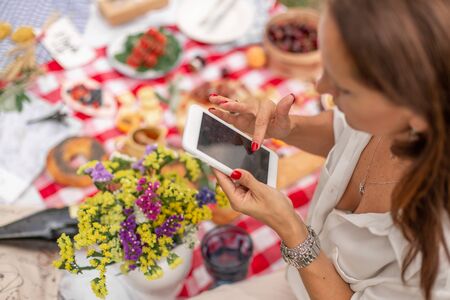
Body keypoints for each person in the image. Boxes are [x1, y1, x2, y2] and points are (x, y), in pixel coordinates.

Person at [191, 0, 450, 299]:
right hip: (298, 280)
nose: (321, 88)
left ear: (415, 110)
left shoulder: (439, 254)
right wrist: (287, 129)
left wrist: (290, 228)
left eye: (346, 88)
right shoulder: (401, 117)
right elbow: (343, 131)